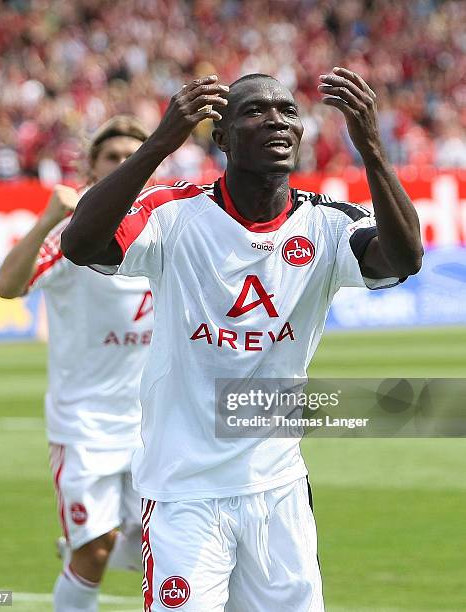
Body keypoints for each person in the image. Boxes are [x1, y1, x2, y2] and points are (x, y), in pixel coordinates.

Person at [61, 70, 423, 611]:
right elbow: (81, 243)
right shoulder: (174, 215)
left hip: (278, 492)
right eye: (255, 111)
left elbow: (405, 257)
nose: (277, 120)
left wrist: (371, 148)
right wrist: (160, 142)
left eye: (287, 111)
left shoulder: (327, 224)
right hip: (185, 493)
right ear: (222, 137)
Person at [0, 116, 154, 612]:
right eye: (113, 156)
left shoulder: (170, 222)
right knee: (94, 553)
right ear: (90, 165)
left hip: (157, 424)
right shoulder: (72, 233)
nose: (124, 164)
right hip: (87, 424)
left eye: (135, 155)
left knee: (171, 549)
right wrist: (46, 220)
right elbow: (6, 286)